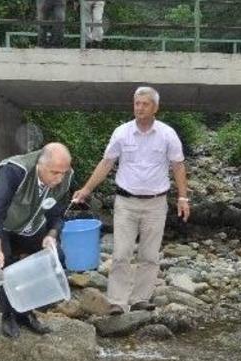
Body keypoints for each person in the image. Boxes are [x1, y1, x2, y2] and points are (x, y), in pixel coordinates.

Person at [72, 86, 190, 315]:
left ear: (155, 108)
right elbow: (106, 163)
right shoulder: (121, 133)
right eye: (137, 104)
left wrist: (183, 197)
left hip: (156, 203)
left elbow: (178, 165)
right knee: (121, 253)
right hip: (126, 202)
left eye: (145, 104)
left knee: (149, 255)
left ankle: (140, 299)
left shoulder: (167, 134)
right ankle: (117, 301)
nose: (140, 108)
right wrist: (86, 189)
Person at [0, 143, 74, 339]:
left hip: (28, 220)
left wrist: (51, 235)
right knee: (5, 260)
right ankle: (8, 315)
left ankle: (26, 311)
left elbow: (57, 213)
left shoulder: (65, 178)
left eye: (63, 173)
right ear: (40, 165)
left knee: (56, 257)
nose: (59, 178)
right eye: (54, 173)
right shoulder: (14, 171)